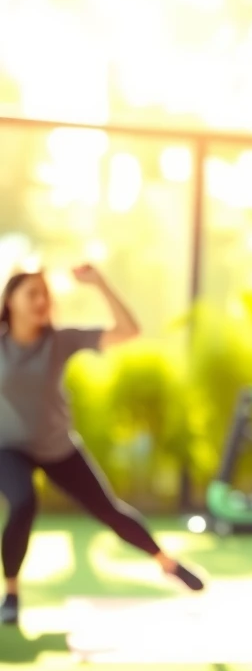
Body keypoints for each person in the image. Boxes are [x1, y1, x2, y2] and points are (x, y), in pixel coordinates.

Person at [0, 266, 204, 626]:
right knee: (22, 502)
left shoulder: (59, 340)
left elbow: (129, 331)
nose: (40, 301)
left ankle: (167, 563)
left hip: (56, 445)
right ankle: (12, 593)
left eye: (44, 294)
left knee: (109, 510)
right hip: (8, 446)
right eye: (31, 293)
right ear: (9, 300)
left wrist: (100, 284)